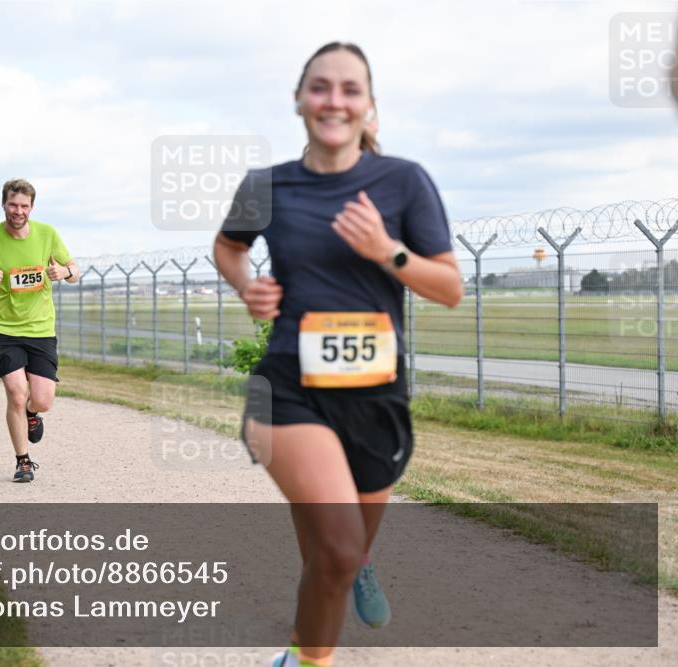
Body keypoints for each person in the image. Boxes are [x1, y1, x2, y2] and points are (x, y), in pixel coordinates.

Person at [213, 42, 462, 667]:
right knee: (338, 545)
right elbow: (227, 247)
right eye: (320, 87)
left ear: (369, 106)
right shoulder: (266, 185)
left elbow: (450, 288)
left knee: (330, 556)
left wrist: (388, 251)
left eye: (350, 90)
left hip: (377, 395)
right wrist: (249, 287)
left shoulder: (404, 182)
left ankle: (324, 611)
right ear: (299, 100)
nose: (334, 100)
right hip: (289, 388)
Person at [0, 178, 79, 483]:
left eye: (24, 206)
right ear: (3, 204)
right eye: (13, 204)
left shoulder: (48, 234)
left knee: (42, 399)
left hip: (40, 330)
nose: (18, 211)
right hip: (4, 330)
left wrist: (65, 272)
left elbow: (76, 271)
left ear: (32, 207)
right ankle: (23, 461)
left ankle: (32, 414)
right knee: (15, 392)